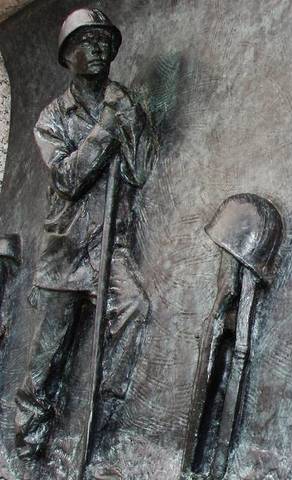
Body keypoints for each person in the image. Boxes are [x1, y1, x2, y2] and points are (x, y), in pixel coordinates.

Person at [14, 8, 157, 460]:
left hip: (109, 245)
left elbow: (141, 170)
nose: (96, 49)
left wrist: (128, 121)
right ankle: (29, 438)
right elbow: (68, 179)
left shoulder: (124, 103)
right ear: (67, 56)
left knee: (134, 306)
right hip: (66, 250)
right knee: (47, 354)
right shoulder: (53, 118)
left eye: (102, 41)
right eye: (85, 41)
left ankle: (102, 421)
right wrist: (106, 129)